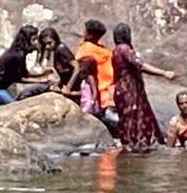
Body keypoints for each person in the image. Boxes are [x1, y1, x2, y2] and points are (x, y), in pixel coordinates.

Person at [110, 22, 176, 151]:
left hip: (123, 89)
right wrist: (164, 73)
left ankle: (132, 142)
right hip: (130, 89)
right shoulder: (124, 49)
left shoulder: (116, 50)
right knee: (134, 116)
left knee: (129, 116)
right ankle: (137, 143)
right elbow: (140, 65)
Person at [69, 19, 117, 132]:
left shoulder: (85, 48)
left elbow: (74, 64)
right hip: (110, 96)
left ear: (89, 34)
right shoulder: (107, 51)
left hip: (97, 96)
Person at [0, 24, 45, 105]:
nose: (36, 42)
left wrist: (42, 74)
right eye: (33, 40)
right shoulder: (18, 55)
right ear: (26, 41)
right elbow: (19, 78)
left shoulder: (18, 52)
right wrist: (41, 80)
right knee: (12, 105)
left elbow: (24, 73)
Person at [18, 26, 75, 99]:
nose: (47, 46)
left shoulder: (61, 49)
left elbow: (76, 68)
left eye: (49, 43)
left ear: (55, 39)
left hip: (71, 86)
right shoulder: (54, 51)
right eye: (45, 44)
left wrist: (69, 86)